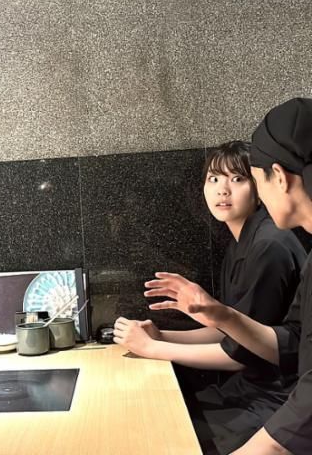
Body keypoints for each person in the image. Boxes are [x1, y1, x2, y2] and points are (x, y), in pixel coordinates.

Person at [113, 141, 306, 454]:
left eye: (237, 179)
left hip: (277, 400)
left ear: (260, 186)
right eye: (213, 179)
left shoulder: (269, 246)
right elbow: (231, 330)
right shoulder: (242, 240)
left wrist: (153, 348)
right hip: (248, 389)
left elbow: (241, 354)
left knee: (161, 435)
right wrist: (162, 335)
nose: (222, 190)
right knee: (148, 414)